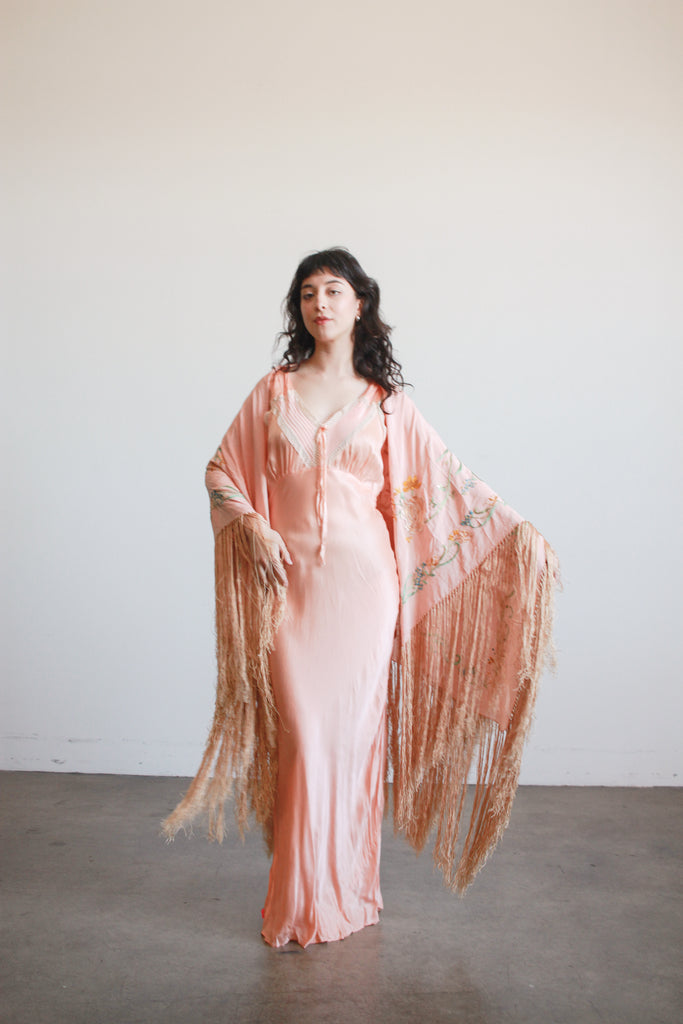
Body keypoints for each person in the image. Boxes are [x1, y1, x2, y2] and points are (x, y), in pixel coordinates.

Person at [163, 248, 558, 949]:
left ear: (360, 305)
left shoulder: (387, 405)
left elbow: (450, 488)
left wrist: (518, 536)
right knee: (304, 738)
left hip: (364, 593)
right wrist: (252, 525)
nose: (319, 303)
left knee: (351, 743)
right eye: (307, 293)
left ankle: (346, 895)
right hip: (290, 593)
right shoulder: (273, 391)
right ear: (299, 309)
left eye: (333, 291)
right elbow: (220, 470)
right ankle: (300, 901)